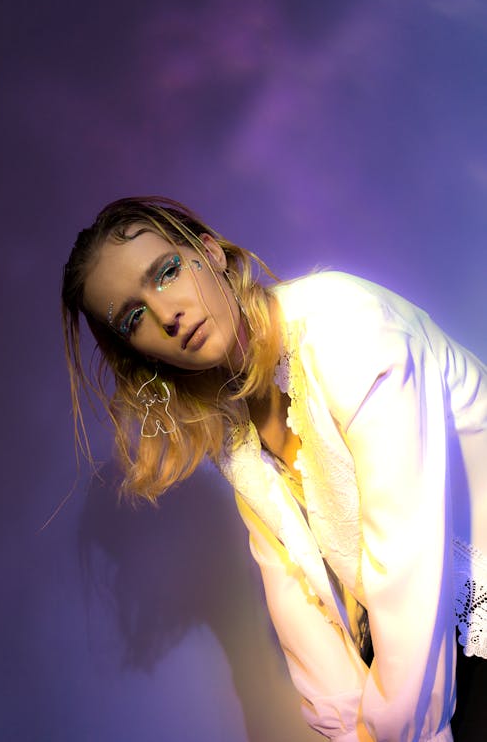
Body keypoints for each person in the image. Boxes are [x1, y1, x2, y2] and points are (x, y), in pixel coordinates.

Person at [62, 196, 487, 741]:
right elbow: (299, 605)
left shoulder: (346, 327)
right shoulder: (236, 436)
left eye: (166, 272)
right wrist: (350, 731)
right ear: (135, 352)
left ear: (208, 252)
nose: (167, 315)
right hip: (421, 650)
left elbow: (407, 565)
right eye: (134, 316)